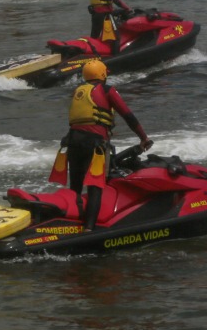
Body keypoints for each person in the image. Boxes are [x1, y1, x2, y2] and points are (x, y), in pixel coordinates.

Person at [60, 59, 151, 230]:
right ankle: (89, 229)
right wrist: (143, 138)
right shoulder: (107, 90)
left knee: (76, 186)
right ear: (102, 74)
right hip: (93, 144)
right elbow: (127, 115)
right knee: (95, 186)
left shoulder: (77, 91)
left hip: (73, 142)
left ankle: (71, 222)